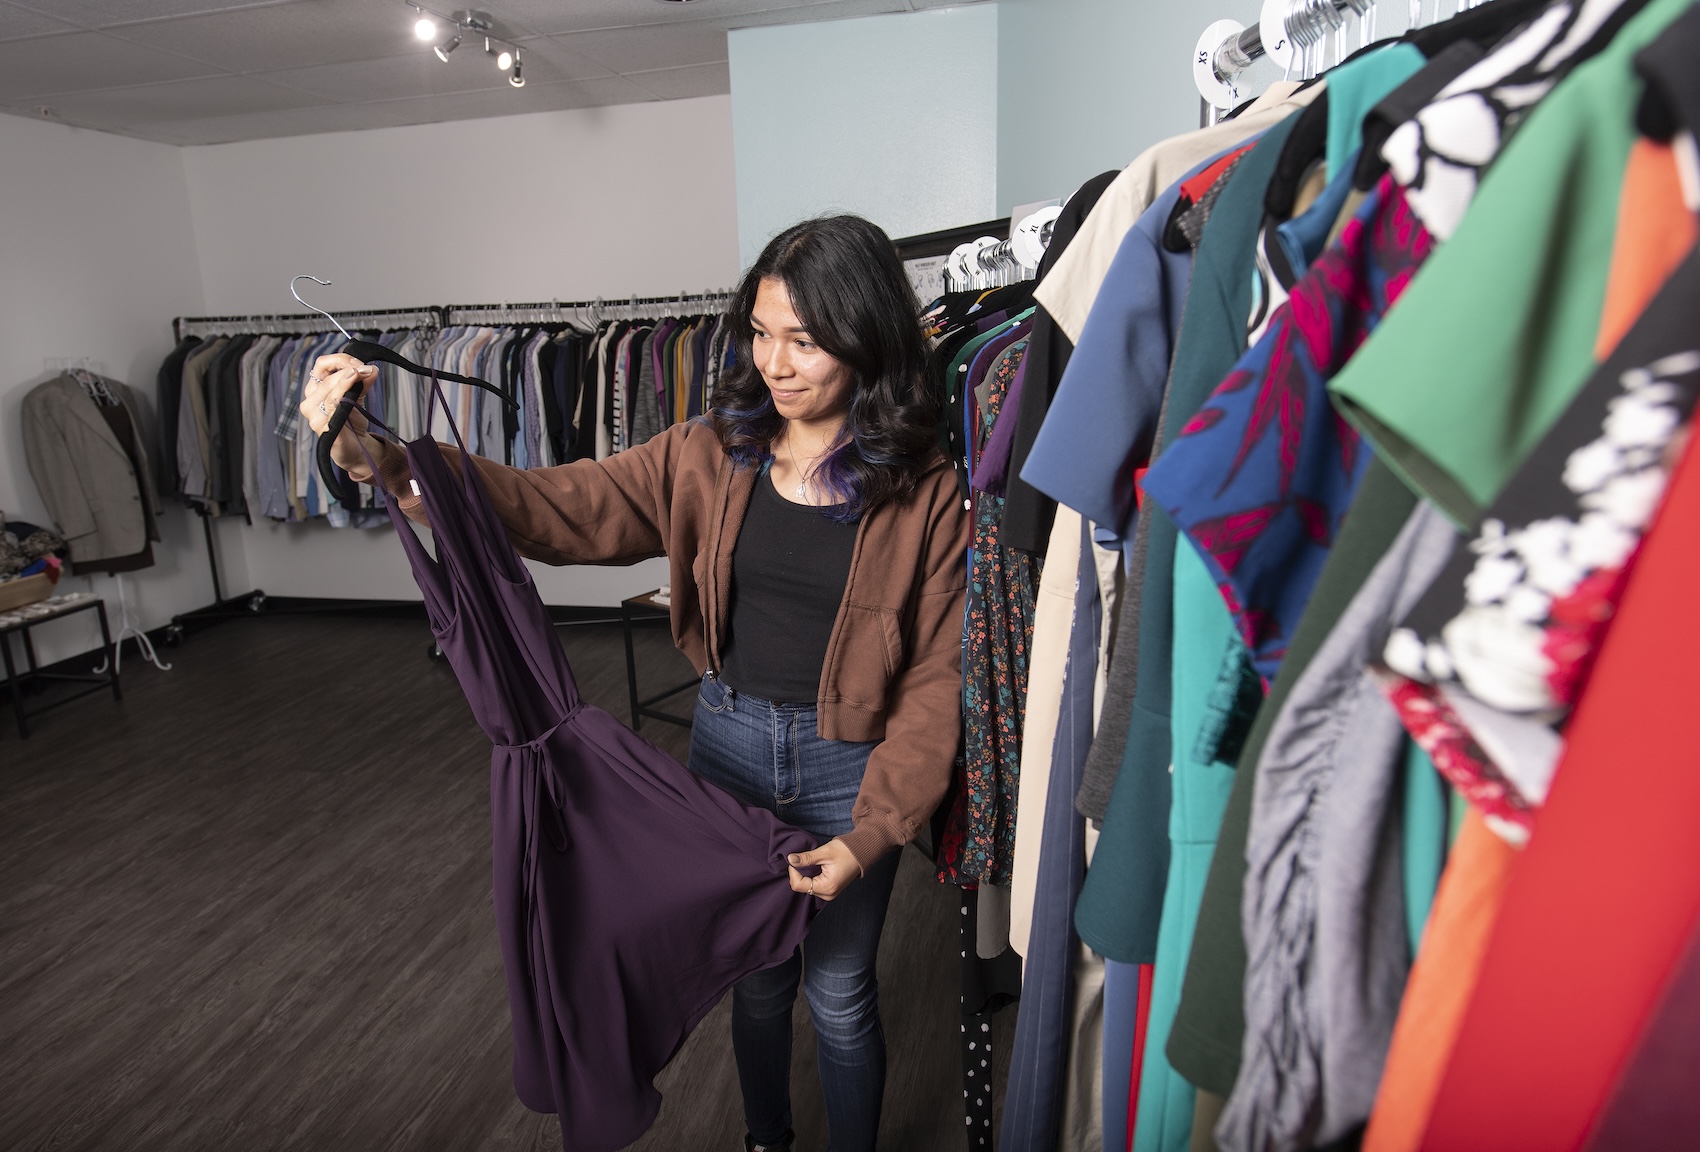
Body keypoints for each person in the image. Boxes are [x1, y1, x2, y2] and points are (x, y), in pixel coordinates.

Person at [300, 214, 969, 1152]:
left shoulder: (925, 485)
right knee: (759, 976)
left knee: (842, 992)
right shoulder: (710, 450)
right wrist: (401, 464)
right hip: (727, 746)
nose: (776, 363)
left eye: (806, 342)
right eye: (762, 332)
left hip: (852, 766)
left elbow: (939, 679)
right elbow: (563, 507)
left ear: (868, 339)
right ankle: (766, 1139)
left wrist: (873, 832)